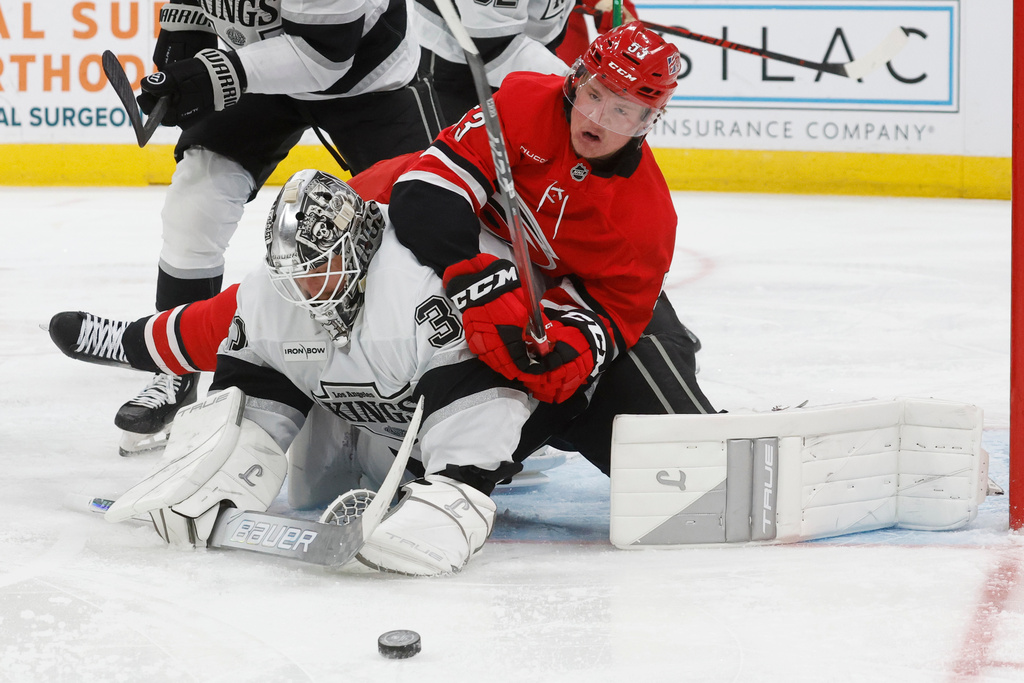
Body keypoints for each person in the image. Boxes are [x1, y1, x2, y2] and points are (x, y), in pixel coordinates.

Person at [54, 22, 714, 489]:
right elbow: (431, 195)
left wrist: (552, 352)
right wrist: (471, 278)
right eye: (595, 94)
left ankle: (465, 451)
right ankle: (147, 344)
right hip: (441, 221)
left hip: (511, 254)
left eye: (622, 109)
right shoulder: (523, 101)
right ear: (577, 81)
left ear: (650, 121)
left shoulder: (647, 218)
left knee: (590, 380)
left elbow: (610, 319)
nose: (597, 118)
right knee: (299, 285)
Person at [54, 169, 531, 576]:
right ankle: (134, 343)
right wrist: (210, 470)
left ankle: (452, 491)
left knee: (440, 462)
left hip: (443, 420)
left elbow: (484, 390)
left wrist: (458, 488)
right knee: (314, 490)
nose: (305, 290)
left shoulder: (419, 287)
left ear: (361, 244)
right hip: (369, 412)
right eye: (294, 273)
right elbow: (250, 385)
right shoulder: (272, 294)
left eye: (319, 268)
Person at [111, 0, 443, 455]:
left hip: (367, 79)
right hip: (259, 75)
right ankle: (176, 369)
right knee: (196, 201)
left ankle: (440, 378)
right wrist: (181, 53)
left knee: (416, 221)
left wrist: (212, 75)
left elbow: (323, 56)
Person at [412, 0, 575, 125]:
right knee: (454, 157)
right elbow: (494, 45)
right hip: (456, 64)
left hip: (526, 51)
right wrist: (574, 81)